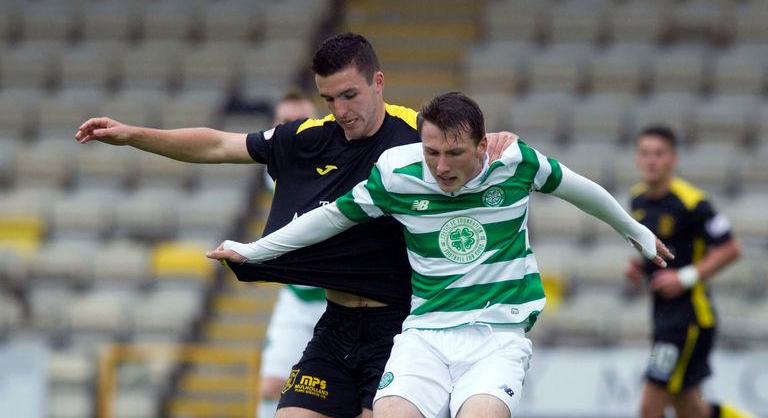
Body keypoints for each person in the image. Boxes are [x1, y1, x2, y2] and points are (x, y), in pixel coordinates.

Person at [76, 33, 514, 418]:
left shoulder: (417, 139)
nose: (341, 110)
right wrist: (133, 134)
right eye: (329, 99)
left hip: (402, 328)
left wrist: (502, 142)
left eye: (349, 95)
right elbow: (215, 144)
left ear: (378, 83)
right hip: (336, 323)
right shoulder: (309, 138)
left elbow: (474, 155)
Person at [207, 92, 672, 418]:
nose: (442, 167)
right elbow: (331, 217)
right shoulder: (398, 173)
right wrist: (255, 250)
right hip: (425, 333)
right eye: (432, 152)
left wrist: (634, 231)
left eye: (454, 154)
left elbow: (580, 190)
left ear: (483, 143)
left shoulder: (515, 162)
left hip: (497, 334)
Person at [625, 125, 749, 418]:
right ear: (637, 159)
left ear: (673, 159)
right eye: (645, 153)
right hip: (664, 317)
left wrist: (685, 278)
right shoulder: (638, 200)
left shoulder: (692, 202)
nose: (651, 160)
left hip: (689, 319)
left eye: (659, 153)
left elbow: (731, 248)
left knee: (650, 406)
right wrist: (639, 268)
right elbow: (663, 253)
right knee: (689, 407)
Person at [258, 90, 327, 418]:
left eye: (300, 122)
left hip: (342, 300)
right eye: (284, 123)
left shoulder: (340, 164)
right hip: (299, 298)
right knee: (272, 386)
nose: (292, 130)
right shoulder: (277, 169)